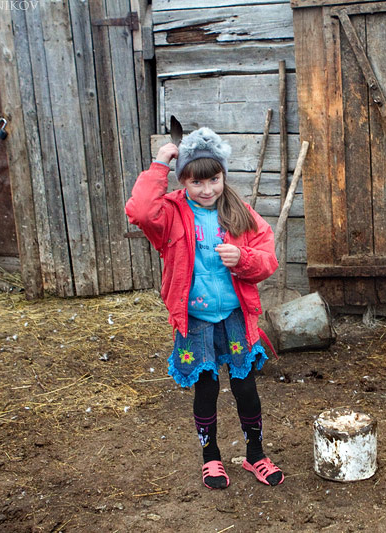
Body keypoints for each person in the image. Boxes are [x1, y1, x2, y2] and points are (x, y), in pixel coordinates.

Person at [125, 127, 284, 489]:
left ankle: (255, 454)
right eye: (196, 181)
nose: (207, 189)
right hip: (195, 320)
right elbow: (140, 211)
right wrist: (159, 164)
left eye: (214, 179)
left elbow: (268, 258)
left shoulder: (240, 213)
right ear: (182, 180)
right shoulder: (170, 213)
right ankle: (211, 457)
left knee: (245, 387)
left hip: (234, 316)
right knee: (207, 389)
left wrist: (243, 258)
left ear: (223, 176)